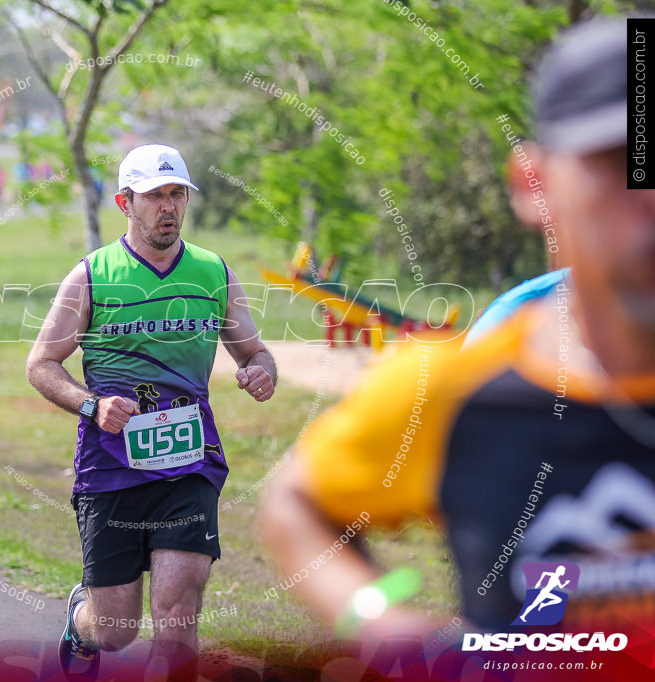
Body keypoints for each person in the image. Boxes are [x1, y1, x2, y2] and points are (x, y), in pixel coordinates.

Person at [260, 17, 655, 644]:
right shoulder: (460, 386)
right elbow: (295, 503)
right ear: (535, 186)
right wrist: (384, 625)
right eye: (619, 162)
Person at [26, 144, 276, 681]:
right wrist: (92, 405)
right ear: (124, 203)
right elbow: (42, 365)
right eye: (154, 196)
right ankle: (80, 621)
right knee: (115, 630)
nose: (168, 206)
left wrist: (261, 371)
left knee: (178, 619)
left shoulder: (213, 272)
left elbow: (255, 352)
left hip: (190, 465)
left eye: (176, 193)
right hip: (111, 467)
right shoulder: (92, 276)